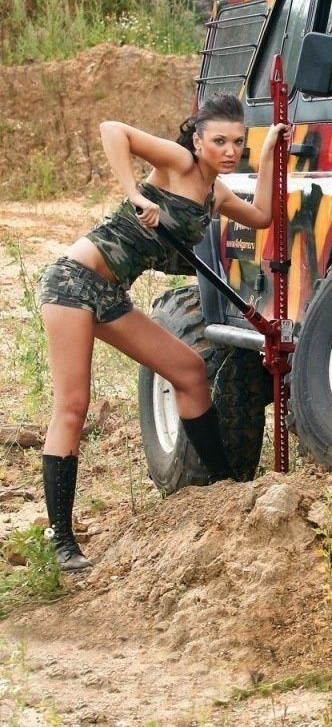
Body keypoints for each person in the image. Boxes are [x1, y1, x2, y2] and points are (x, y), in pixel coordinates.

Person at [37, 95, 287, 572]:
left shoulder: (216, 195)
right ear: (197, 140)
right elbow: (114, 126)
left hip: (111, 296)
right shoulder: (178, 164)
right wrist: (134, 193)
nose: (229, 150)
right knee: (73, 405)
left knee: (190, 371)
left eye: (238, 141)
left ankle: (221, 489)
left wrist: (272, 149)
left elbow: (262, 217)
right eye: (218, 140)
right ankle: (62, 540)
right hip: (73, 282)